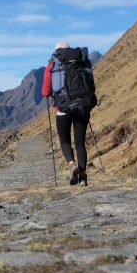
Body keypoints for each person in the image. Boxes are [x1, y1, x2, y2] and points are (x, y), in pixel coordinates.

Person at [42, 41, 92, 186]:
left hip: (63, 108)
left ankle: (72, 165)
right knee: (80, 143)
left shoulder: (52, 65)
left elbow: (45, 92)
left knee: (65, 141)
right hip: (83, 106)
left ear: (56, 51)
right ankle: (83, 178)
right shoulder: (82, 60)